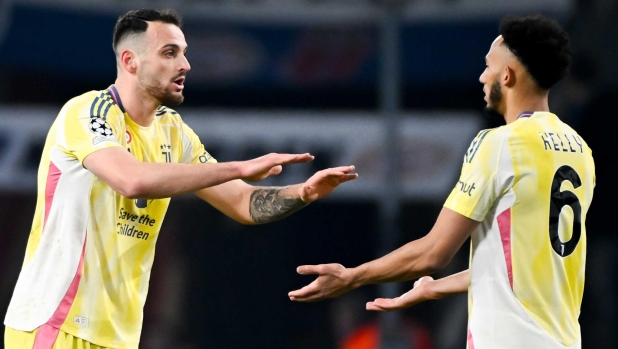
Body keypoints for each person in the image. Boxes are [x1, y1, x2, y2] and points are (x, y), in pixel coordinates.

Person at [3, 8, 358, 349]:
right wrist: (237, 167)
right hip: (55, 324)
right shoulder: (87, 112)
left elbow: (243, 202)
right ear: (130, 61)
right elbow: (131, 179)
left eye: (184, 53)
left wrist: (304, 191)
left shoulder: (174, 132)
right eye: (169, 52)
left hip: (117, 335)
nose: (185, 64)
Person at [289, 15, 594, 349]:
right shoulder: (579, 149)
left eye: (488, 66)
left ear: (507, 75)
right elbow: (524, 267)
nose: (481, 76)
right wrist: (435, 288)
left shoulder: (499, 144)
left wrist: (352, 277)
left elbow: (434, 253)